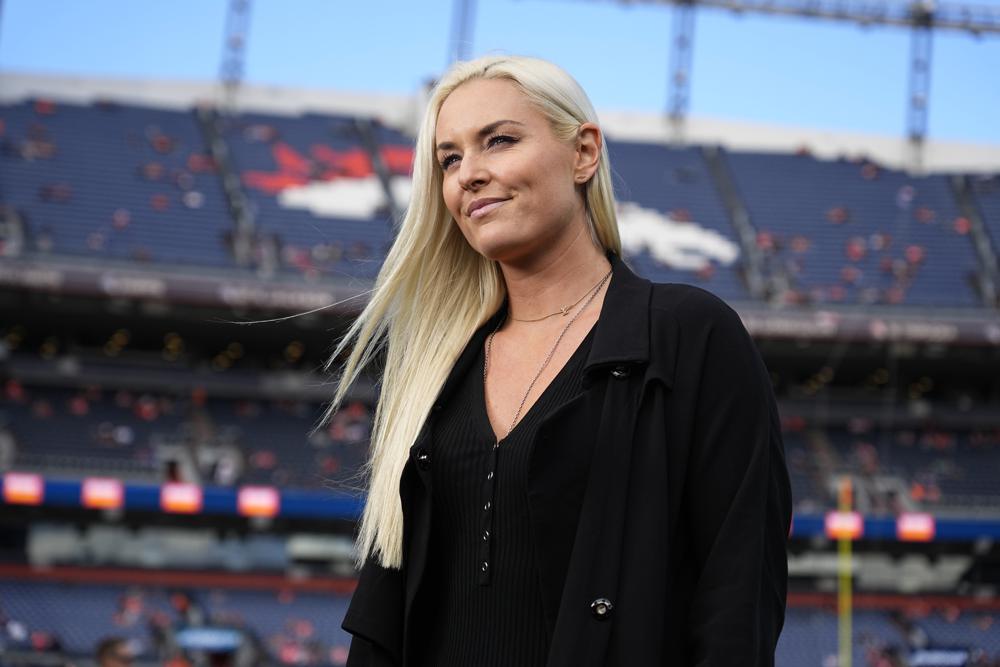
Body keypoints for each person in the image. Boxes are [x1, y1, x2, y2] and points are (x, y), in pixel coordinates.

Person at [327, 55, 792, 666]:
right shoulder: (433, 373)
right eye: (450, 159)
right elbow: (384, 619)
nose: (469, 174)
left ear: (583, 153)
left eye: (499, 140)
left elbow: (738, 595)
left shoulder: (690, 336)